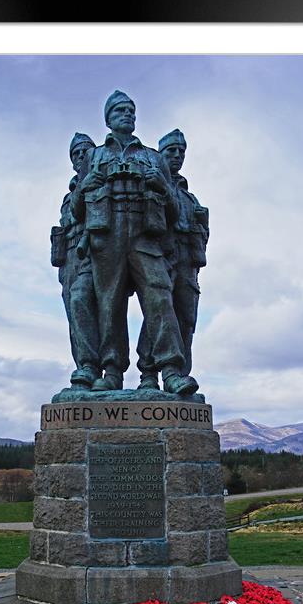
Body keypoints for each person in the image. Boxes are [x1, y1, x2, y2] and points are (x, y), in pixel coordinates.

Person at [71, 91, 199, 395]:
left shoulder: (153, 157)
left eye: (131, 110)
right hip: (107, 236)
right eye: (119, 111)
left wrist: (162, 187)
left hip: (145, 237)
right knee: (109, 304)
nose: (127, 114)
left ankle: (169, 370)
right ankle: (112, 371)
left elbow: (175, 210)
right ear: (108, 118)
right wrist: (84, 188)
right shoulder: (95, 156)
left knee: (159, 297)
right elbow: (78, 210)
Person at [136, 129, 209, 388]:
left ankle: (179, 376)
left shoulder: (190, 198)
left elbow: (203, 233)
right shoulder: (150, 184)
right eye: (171, 151)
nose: (177, 156)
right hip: (162, 256)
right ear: (160, 155)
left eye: (181, 152)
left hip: (188, 263)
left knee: (186, 319)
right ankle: (149, 374)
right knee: (158, 311)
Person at [50, 133, 101, 389]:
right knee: (75, 315)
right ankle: (85, 369)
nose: (81, 157)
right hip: (69, 258)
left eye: (85, 152)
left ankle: (98, 366)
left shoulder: (100, 183)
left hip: (94, 253)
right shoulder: (69, 195)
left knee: (89, 305)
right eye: (76, 153)